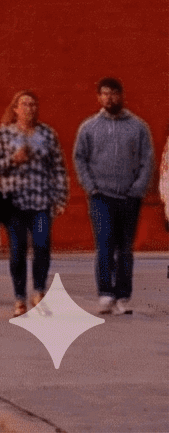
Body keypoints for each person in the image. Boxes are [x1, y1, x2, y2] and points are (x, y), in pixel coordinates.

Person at [72, 77, 154, 316]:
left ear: (122, 95)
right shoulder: (89, 127)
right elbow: (80, 158)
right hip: (101, 197)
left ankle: (123, 296)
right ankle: (105, 294)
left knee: (125, 248)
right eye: (105, 94)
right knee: (105, 244)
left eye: (114, 93)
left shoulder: (138, 127)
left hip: (130, 196)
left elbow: (147, 160)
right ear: (98, 98)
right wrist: (91, 187)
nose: (109, 98)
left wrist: (138, 189)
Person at [0, 90, 65, 316]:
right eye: (25, 104)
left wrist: (59, 197)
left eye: (33, 104)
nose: (30, 108)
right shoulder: (3, 136)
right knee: (18, 249)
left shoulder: (48, 134)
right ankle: (19, 297)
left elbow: (57, 168)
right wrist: (14, 159)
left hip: (41, 201)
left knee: (42, 245)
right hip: (14, 203)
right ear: (16, 109)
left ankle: (38, 290)